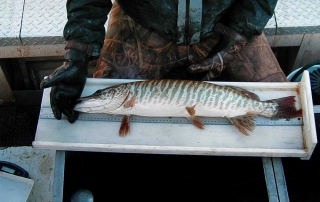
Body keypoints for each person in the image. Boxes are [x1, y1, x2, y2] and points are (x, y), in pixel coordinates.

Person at [40, 0, 288, 123]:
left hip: (227, 23)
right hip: (138, 23)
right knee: (93, 125)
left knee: (288, 116)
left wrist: (236, 34)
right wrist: (78, 53)